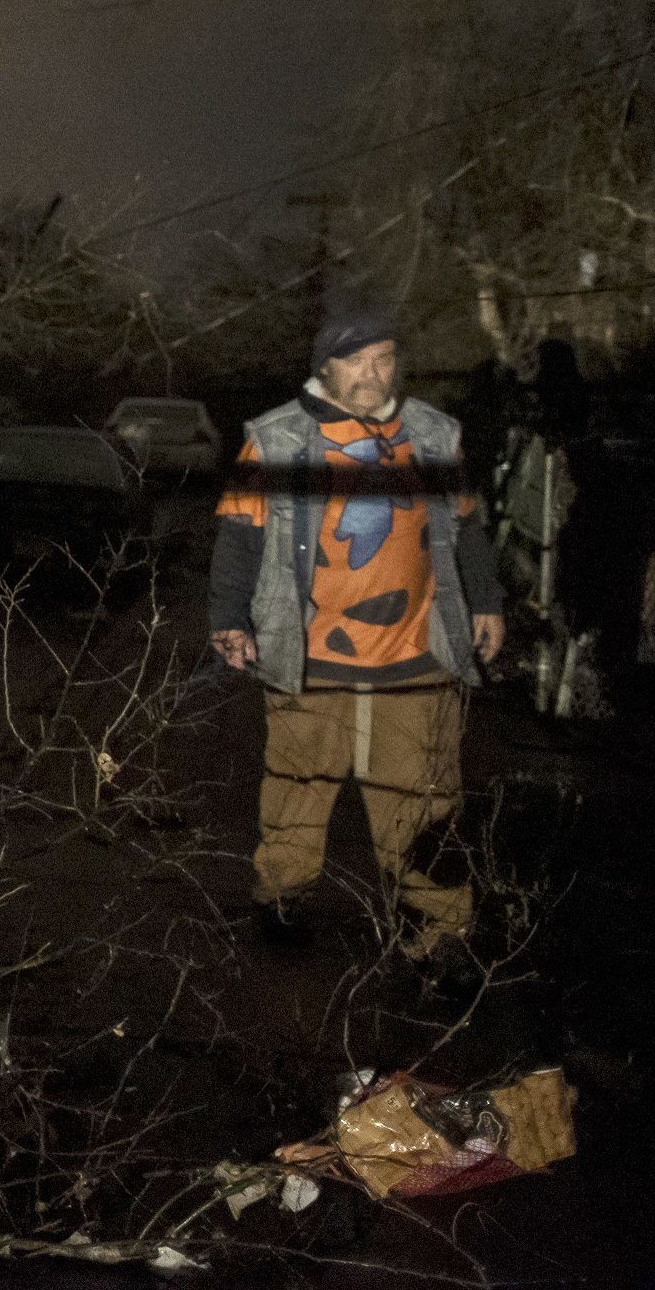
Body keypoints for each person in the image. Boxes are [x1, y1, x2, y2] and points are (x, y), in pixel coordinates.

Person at [209, 308, 505, 960]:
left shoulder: (431, 435)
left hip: (417, 656)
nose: (372, 375)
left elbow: (468, 528)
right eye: (355, 361)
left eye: (383, 359)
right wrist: (227, 618)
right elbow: (239, 536)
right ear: (326, 367)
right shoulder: (275, 440)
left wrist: (486, 600)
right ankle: (281, 903)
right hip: (308, 654)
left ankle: (441, 932)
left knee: (425, 801)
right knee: (296, 787)